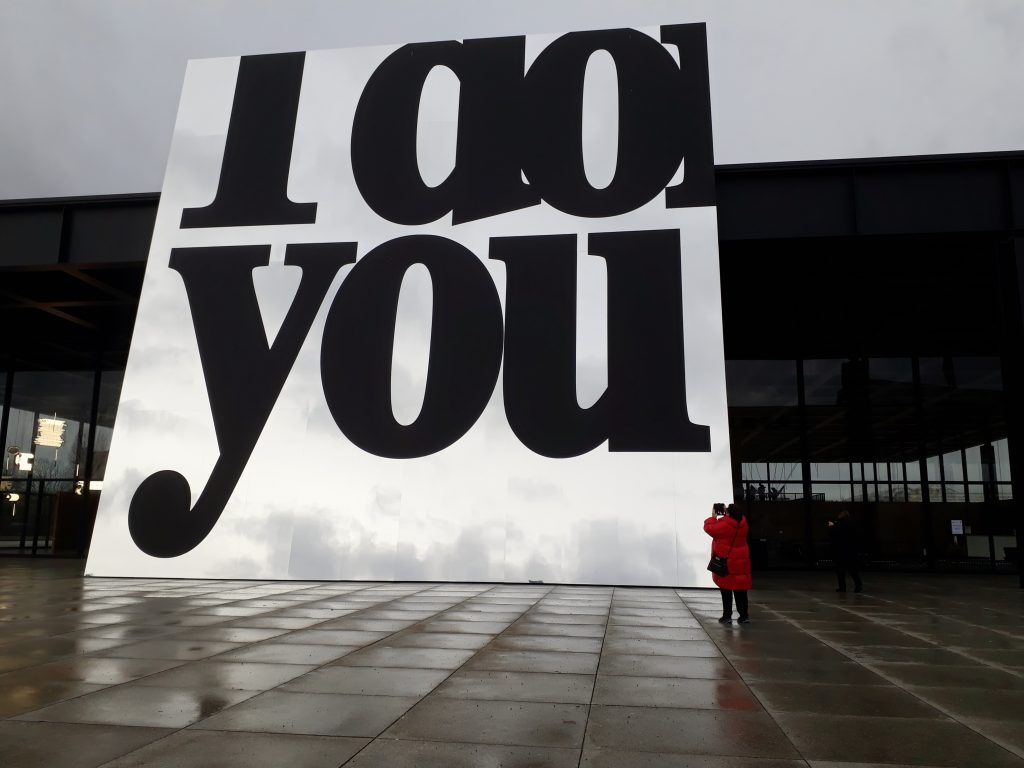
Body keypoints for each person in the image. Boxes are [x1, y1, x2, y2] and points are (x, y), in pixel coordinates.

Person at [704, 502, 752, 623]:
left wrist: (713, 517)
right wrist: (728, 512)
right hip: (741, 562)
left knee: (726, 589)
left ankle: (727, 616)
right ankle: (744, 616)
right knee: (741, 590)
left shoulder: (725, 523)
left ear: (729, 513)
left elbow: (710, 529)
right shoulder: (743, 523)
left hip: (728, 562)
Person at [829, 509, 863, 593]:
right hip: (850, 551)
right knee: (852, 570)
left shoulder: (838, 524)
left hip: (840, 550)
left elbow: (834, 536)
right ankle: (858, 586)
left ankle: (842, 587)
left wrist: (832, 527)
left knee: (840, 571)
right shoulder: (852, 524)